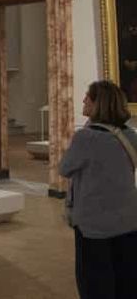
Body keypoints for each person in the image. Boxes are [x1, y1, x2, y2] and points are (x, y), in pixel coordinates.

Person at [59, 80, 137, 299]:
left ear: (98, 103)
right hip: (129, 219)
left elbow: (65, 168)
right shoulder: (130, 135)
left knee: (95, 284)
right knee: (127, 281)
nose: (84, 99)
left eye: (88, 96)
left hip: (94, 224)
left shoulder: (86, 137)